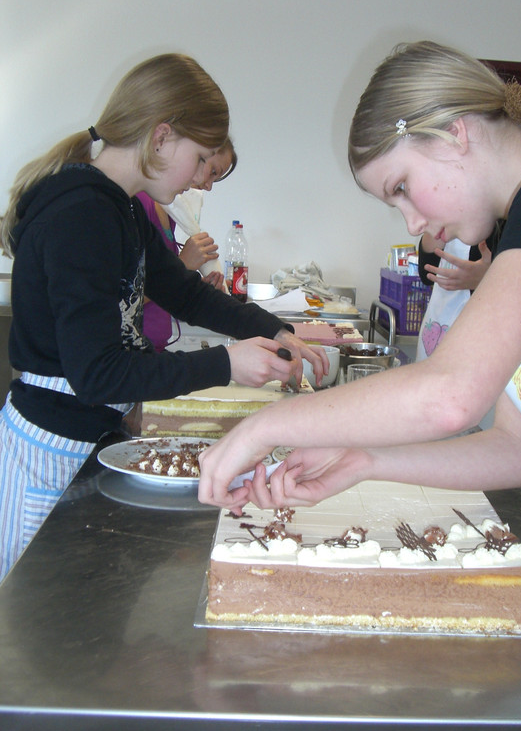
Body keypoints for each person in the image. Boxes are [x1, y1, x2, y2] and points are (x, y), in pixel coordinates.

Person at [198, 40, 521, 512]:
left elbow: (450, 395)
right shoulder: (513, 233)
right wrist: (364, 461)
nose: (413, 225)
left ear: (454, 134)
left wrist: (268, 426)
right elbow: (520, 451)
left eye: (402, 187)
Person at [0, 53, 327, 580]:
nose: (200, 179)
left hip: (90, 435)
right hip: (51, 450)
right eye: (199, 160)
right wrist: (226, 364)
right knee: (44, 608)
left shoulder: (122, 208)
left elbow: (187, 295)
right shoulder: (81, 214)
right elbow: (97, 373)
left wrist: (274, 330)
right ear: (161, 137)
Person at [139, 138, 236, 351]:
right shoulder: (140, 204)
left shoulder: (170, 212)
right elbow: (123, 299)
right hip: (132, 352)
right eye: (212, 172)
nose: (207, 186)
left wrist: (193, 285)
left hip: (154, 348)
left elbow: (162, 287)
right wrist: (181, 266)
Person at [416, 230, 498, 361]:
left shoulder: (506, 230)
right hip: (441, 326)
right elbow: (427, 273)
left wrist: (489, 277)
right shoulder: (448, 225)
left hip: (485, 338)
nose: (413, 228)